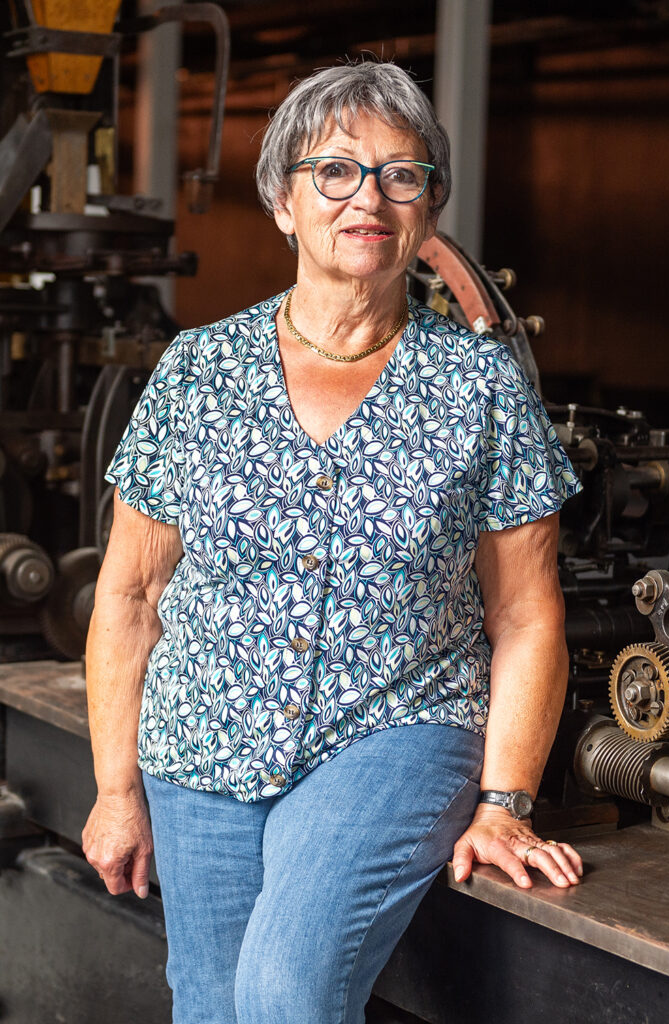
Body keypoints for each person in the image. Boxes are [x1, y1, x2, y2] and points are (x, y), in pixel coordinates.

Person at [82, 60, 584, 1024]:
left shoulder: (477, 389)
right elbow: (131, 596)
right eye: (337, 171)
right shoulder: (197, 372)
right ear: (282, 199)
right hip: (203, 738)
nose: (371, 198)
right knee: (211, 1007)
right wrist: (116, 790)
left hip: (394, 730)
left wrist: (503, 801)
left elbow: (524, 613)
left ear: (428, 207)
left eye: (403, 174)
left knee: (284, 992)